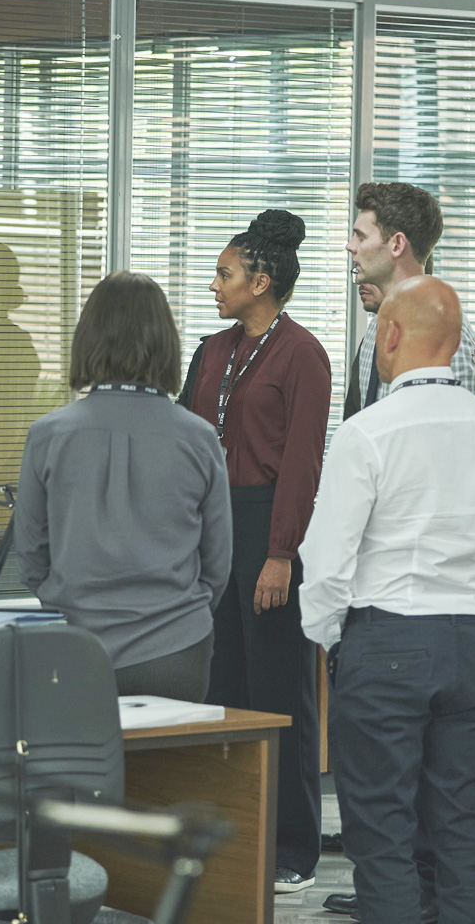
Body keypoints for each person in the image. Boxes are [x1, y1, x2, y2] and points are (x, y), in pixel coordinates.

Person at [300, 275, 475, 924]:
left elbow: (327, 562)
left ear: (391, 335)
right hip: (471, 643)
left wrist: (337, 641)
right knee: (463, 827)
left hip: (385, 640)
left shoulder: (369, 432)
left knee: (383, 836)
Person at [178, 209, 331, 894]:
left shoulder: (303, 354)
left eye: (224, 274)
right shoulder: (211, 350)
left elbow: (302, 464)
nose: (214, 285)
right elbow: (186, 442)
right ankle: (230, 838)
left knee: (278, 691)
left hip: (271, 524)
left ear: (260, 282)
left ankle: (293, 846)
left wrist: (281, 554)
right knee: (221, 690)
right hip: (212, 528)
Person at [13, 272, 231, 702]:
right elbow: (217, 563)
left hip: (73, 649)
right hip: (176, 649)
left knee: (79, 750)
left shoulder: (48, 434)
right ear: (166, 343)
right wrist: (181, 615)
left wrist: (68, 604)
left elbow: (31, 556)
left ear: (88, 339)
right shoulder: (200, 438)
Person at [342, 182, 475, 419]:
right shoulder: (378, 327)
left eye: (361, 236)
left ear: (397, 245)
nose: (350, 246)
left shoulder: (447, 333)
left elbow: (462, 432)